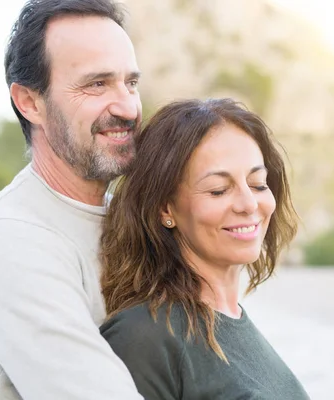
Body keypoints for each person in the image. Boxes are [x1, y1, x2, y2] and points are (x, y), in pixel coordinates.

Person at [0, 0, 144, 398]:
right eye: (97, 84)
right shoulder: (10, 243)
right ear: (30, 102)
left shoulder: (124, 219)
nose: (127, 106)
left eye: (131, 83)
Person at [100, 98, 311, 399]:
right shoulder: (145, 337)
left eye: (258, 183)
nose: (248, 204)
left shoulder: (233, 321)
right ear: (165, 208)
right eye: (218, 190)